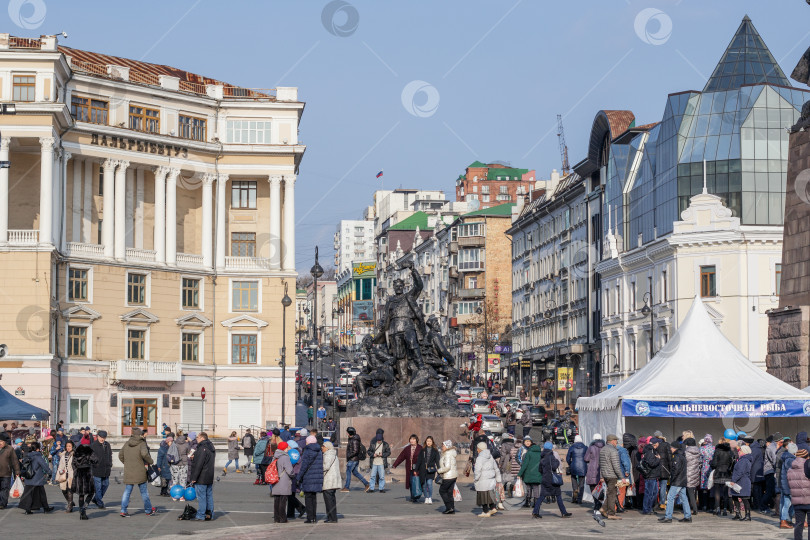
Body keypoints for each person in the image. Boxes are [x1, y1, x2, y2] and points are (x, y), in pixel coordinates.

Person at [118, 428, 156, 517]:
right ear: (140, 435)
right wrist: (151, 461)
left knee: (127, 491)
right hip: (140, 470)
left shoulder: (127, 443)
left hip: (129, 471)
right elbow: (145, 454)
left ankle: (123, 510)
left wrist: (126, 463)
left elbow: (120, 455)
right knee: (144, 492)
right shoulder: (142, 443)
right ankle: (148, 510)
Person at [532, 441, 571, 518]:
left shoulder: (542, 456)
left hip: (545, 479)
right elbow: (554, 466)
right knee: (558, 496)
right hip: (552, 479)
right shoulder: (551, 456)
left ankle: (535, 512)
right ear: (551, 448)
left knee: (542, 496)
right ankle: (564, 512)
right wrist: (557, 461)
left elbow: (540, 469)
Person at [659, 441, 691, 523]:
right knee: (684, 498)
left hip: (677, 481)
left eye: (671, 447)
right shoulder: (683, 456)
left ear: (674, 448)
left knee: (670, 497)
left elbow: (675, 470)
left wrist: (672, 478)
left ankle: (668, 517)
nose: (670, 449)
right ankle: (688, 516)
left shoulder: (676, 457)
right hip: (682, 480)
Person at [19, 441, 53, 514]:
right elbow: (45, 466)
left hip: (28, 477)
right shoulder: (38, 457)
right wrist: (50, 473)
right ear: (38, 449)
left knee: (28, 494)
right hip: (37, 479)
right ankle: (46, 508)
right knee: (42, 494)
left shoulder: (27, 456)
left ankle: (27, 509)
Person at [296, 435, 324, 524]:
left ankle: (310, 517)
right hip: (317, 477)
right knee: (313, 498)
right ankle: (314, 517)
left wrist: (299, 477)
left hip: (308, 477)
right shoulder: (319, 451)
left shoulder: (307, 451)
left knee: (308, 498)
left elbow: (304, 466)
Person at [189, 432, 215, 521]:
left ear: (202, 438)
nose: (196, 439)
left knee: (201, 497)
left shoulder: (202, 448)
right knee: (209, 496)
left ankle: (201, 515)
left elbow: (199, 464)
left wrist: (193, 478)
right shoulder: (211, 447)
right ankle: (210, 514)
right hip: (209, 475)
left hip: (202, 476)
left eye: (198, 437)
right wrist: (195, 457)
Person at [474, 441, 501, 517]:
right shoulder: (490, 456)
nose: (477, 450)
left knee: (482, 496)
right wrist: (498, 478)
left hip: (482, 480)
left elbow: (477, 470)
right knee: (488, 495)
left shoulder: (480, 458)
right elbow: (496, 468)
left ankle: (485, 512)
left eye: (477, 448)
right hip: (490, 479)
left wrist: (476, 478)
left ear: (480, 449)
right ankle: (492, 508)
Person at [598, 434, 622, 520]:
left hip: (605, 474)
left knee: (610, 493)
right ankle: (611, 513)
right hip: (612, 475)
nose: (616, 442)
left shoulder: (603, 450)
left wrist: (601, 476)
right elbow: (616, 465)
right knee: (612, 494)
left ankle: (603, 508)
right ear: (612, 441)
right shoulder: (613, 450)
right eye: (616, 441)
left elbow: (600, 464)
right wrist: (621, 477)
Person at [788, 448, 810, 539]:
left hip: (796, 500)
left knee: (798, 523)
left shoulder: (790, 469)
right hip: (808, 499)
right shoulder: (807, 466)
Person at [392, 434, 422, 502]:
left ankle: (418, 494)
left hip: (418, 468)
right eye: (411, 439)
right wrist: (395, 464)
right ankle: (413, 496)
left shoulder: (420, 448)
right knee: (411, 482)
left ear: (416, 440)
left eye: (413, 439)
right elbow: (401, 457)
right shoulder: (407, 448)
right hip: (409, 468)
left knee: (417, 482)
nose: (412, 440)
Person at [710, 437, 734, 516]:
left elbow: (714, 463)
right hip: (727, 473)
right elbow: (732, 463)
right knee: (725, 492)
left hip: (718, 473)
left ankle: (717, 508)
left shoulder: (717, 451)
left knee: (717, 491)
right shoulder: (730, 451)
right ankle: (724, 509)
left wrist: (711, 464)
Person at [341, 427, 369, 492]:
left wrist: (349, 456)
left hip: (353, 459)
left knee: (348, 472)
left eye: (347, 432)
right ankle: (366, 484)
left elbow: (355, 451)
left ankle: (346, 487)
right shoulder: (352, 439)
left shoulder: (354, 440)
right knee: (355, 473)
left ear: (349, 433)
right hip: (354, 459)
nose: (346, 433)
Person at [72, 442, 96, 520]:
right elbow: (95, 460)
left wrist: (76, 471)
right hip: (87, 474)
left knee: (81, 495)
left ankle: (82, 512)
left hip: (79, 474)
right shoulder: (89, 451)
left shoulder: (76, 452)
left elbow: (73, 464)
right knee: (91, 492)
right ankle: (84, 508)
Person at [89, 430, 112, 509]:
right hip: (97, 469)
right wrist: (94, 465)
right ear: (97, 436)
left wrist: (110, 464)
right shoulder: (93, 445)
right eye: (101, 437)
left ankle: (96, 499)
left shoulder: (107, 445)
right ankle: (99, 502)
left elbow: (110, 455)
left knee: (106, 485)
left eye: (104, 437)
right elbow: (90, 457)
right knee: (98, 488)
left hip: (106, 469)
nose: (102, 439)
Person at [271, 442, 293, 523]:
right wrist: (293, 475)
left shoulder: (275, 456)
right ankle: (282, 518)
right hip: (283, 480)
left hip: (275, 479)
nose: (288, 449)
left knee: (277, 500)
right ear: (284, 448)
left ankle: (276, 518)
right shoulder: (285, 457)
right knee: (283, 500)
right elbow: (289, 470)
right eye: (287, 447)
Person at [730, 444, 753, 521]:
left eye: (740, 451)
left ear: (744, 452)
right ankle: (738, 514)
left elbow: (739, 472)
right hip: (742, 481)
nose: (739, 452)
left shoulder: (743, 460)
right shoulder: (744, 460)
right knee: (735, 497)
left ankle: (747, 515)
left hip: (742, 481)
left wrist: (733, 480)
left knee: (744, 498)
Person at [518, 437, 542, 510]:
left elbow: (524, 464)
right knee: (536, 488)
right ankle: (536, 503)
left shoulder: (529, 453)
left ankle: (528, 502)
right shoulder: (540, 454)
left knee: (528, 488)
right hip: (537, 473)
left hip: (528, 473)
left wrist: (519, 474)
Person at [641, 437, 663, 515]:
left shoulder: (651, 450)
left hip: (652, 475)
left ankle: (649, 508)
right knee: (649, 493)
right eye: (658, 443)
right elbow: (652, 463)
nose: (658, 444)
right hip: (650, 475)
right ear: (655, 444)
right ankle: (646, 509)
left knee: (653, 492)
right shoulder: (650, 451)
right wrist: (658, 459)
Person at [321, 441, 341, 523]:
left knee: (329, 500)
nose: (322, 448)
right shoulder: (334, 455)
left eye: (323, 446)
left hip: (329, 481)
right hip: (333, 480)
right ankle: (332, 517)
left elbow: (325, 467)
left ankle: (332, 518)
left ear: (327, 448)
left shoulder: (328, 455)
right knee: (332, 499)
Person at [417, 436, 440, 505]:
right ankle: (426, 497)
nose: (428, 442)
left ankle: (430, 497)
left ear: (432, 442)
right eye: (427, 441)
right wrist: (416, 469)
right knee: (424, 484)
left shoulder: (435, 450)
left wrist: (439, 469)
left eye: (430, 441)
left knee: (429, 483)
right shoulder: (422, 450)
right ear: (425, 442)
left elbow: (437, 461)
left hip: (431, 470)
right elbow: (419, 460)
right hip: (423, 469)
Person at [779, 442, 798, 529]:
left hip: (786, 485)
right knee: (787, 504)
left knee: (788, 503)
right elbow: (793, 473)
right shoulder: (790, 460)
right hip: (789, 485)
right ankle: (784, 520)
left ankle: (788, 520)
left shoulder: (787, 458)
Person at [584, 433, 605, 511]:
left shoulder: (591, 447)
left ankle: (596, 502)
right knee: (601, 487)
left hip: (593, 469)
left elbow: (586, 458)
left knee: (592, 487)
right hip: (602, 469)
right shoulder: (604, 447)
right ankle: (600, 502)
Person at [437, 440, 459, 515]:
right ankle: (451, 508)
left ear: (447, 446)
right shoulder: (451, 453)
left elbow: (447, 467)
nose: (442, 447)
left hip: (448, 476)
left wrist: (439, 471)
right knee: (449, 492)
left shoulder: (447, 454)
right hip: (453, 475)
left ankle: (449, 507)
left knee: (442, 491)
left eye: (443, 446)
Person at [367, 428, 391, 493]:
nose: (379, 438)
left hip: (381, 462)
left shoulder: (385, 444)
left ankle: (381, 488)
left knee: (382, 476)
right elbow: (368, 451)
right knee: (372, 476)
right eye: (378, 436)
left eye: (380, 436)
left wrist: (382, 454)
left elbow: (389, 452)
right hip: (374, 462)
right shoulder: (373, 444)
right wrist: (373, 454)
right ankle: (371, 488)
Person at [652, 431, 671, 510]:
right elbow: (669, 457)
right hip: (665, 468)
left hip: (655, 467)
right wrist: (670, 468)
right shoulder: (666, 444)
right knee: (663, 486)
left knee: (655, 487)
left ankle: (655, 503)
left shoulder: (653, 444)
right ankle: (662, 503)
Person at [566, 434, 587, 504]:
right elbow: (587, 457)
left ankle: (575, 490)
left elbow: (568, 458)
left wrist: (570, 463)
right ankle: (580, 499)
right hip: (583, 466)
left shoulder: (572, 447)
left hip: (574, 465)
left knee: (573, 479)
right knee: (581, 483)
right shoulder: (585, 447)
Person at [0, 432, 19, 509]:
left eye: (1, 441)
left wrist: (17, 472)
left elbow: (14, 461)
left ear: (5, 442)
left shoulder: (10, 449)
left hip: (6, 473)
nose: (0, 443)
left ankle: (2, 503)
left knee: (4, 489)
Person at [58, 440, 76, 512]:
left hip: (72, 474)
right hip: (64, 474)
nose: (68, 448)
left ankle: (69, 506)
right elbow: (61, 465)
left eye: (70, 446)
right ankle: (70, 502)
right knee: (63, 490)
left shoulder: (74, 454)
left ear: (72, 447)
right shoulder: (63, 454)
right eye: (67, 446)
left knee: (70, 490)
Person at [618, 434, 635, 511]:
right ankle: (620, 505)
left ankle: (615, 506)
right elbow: (626, 462)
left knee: (615, 491)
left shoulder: (613, 449)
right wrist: (627, 471)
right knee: (622, 490)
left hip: (615, 473)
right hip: (622, 474)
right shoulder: (623, 450)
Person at [698, 434, 715, 512]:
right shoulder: (714, 448)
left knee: (704, 487)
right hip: (712, 468)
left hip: (705, 468)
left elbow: (699, 460)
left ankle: (704, 505)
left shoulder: (701, 448)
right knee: (711, 486)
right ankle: (711, 506)